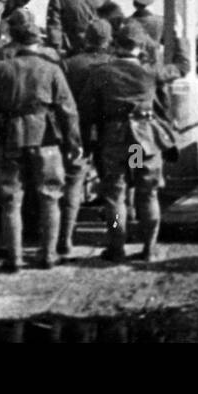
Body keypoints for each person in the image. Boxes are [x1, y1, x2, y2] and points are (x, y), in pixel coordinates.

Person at [0, 8, 81, 272]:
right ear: (37, 41)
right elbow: (68, 111)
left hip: (10, 136)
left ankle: (14, 258)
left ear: (17, 41)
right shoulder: (52, 68)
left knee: (11, 201)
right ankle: (48, 255)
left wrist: (4, 110)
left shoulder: (1, 67)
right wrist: (74, 144)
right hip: (46, 138)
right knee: (50, 197)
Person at [81, 21, 188, 261]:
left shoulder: (101, 73)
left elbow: (87, 111)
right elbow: (182, 67)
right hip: (141, 144)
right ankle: (149, 248)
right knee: (147, 193)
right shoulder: (150, 72)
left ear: (116, 44)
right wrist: (178, 35)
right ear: (140, 48)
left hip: (115, 141)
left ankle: (117, 247)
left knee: (115, 196)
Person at [59, 19, 115, 257]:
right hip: (109, 131)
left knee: (72, 183)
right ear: (109, 40)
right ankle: (115, 234)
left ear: (86, 39)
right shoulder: (114, 64)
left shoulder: (70, 64)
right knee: (114, 186)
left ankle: (66, 237)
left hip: (77, 130)